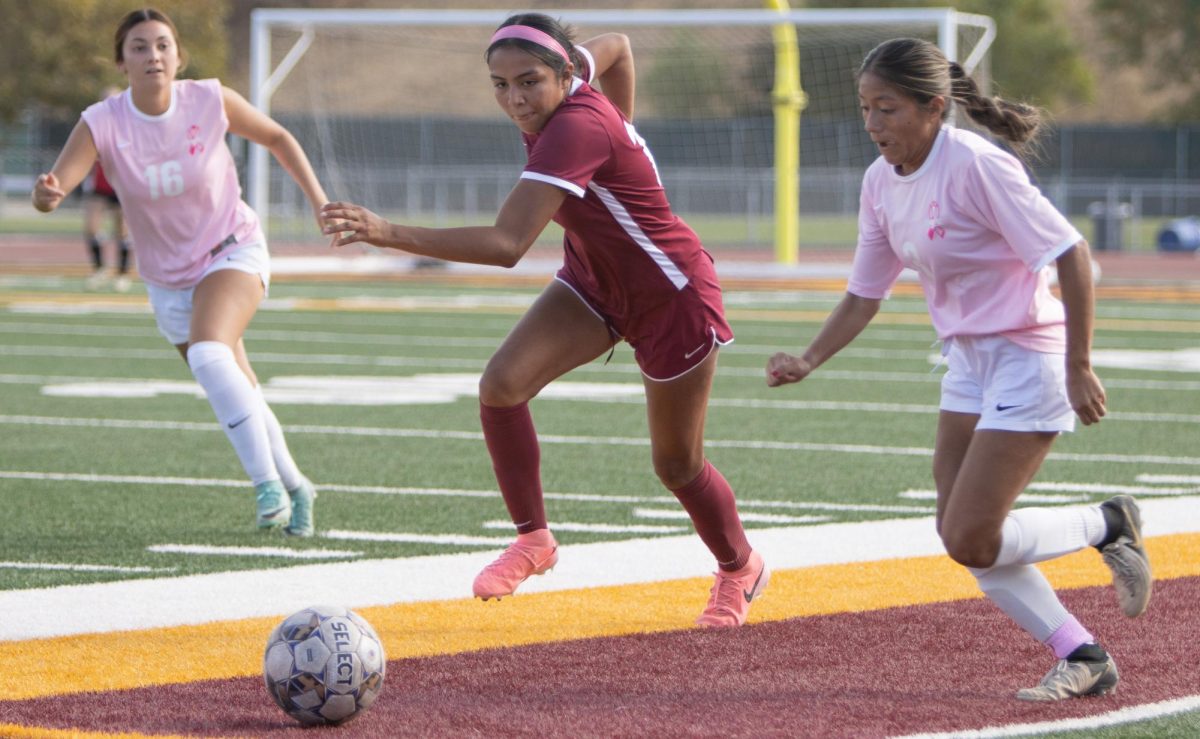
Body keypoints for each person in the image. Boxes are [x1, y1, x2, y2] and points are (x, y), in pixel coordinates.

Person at [321, 13, 768, 627]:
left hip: (672, 296)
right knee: (500, 386)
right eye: (500, 85)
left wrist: (388, 232)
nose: (515, 99)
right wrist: (627, 125)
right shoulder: (572, 79)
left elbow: (508, 244)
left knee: (676, 465)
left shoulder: (576, 128)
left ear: (562, 75)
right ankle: (534, 540)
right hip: (593, 281)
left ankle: (739, 566)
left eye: (528, 81)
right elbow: (619, 48)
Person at [766, 38, 1152, 700]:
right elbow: (865, 292)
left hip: (1031, 354)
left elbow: (1072, 253)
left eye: (887, 108)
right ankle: (1083, 653)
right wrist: (808, 358)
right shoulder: (878, 183)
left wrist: (1079, 364)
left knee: (973, 535)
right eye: (865, 108)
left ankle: (1109, 523)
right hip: (968, 361)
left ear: (934, 108)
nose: (873, 123)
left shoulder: (978, 164)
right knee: (962, 536)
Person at [32, 8, 327, 537]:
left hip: (230, 249)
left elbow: (280, 139)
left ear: (178, 56)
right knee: (236, 383)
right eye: (140, 47)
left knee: (212, 354)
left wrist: (320, 203)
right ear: (122, 61)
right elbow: (58, 187)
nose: (153, 56)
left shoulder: (208, 99)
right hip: (166, 277)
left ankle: (266, 488)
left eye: (163, 45)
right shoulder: (102, 120)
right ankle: (298, 484)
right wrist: (46, 195)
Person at [82, 88, 133, 293]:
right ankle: (99, 269)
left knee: (121, 230)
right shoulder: (95, 127)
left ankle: (122, 274)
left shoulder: (130, 127)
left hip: (120, 186)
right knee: (91, 227)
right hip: (100, 187)